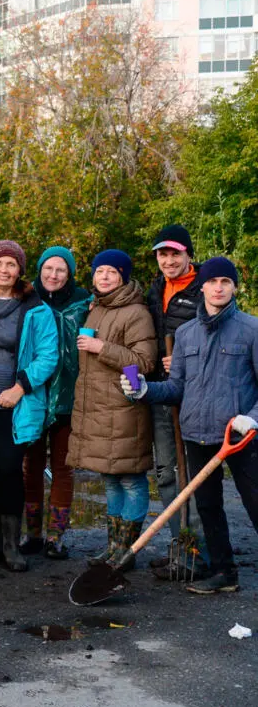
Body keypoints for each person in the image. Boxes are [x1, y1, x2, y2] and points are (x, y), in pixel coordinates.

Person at [122, 257, 258, 595]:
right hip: (197, 432)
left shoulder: (252, 329)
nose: (219, 288)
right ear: (203, 288)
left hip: (240, 434)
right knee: (208, 506)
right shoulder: (185, 333)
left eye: (226, 282)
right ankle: (224, 573)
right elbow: (177, 387)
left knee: (255, 501)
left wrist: (252, 418)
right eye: (213, 282)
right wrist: (144, 390)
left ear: (234, 287)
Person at [0, 240, 58, 572]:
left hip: (14, 404)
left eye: (11, 264)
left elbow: (48, 357)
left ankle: (12, 546)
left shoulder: (36, 309)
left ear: (20, 270)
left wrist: (20, 388)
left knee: (7, 471)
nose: (4, 270)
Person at [67, 250, 157, 568]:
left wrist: (101, 347)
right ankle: (113, 548)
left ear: (123, 277)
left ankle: (127, 551)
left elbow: (144, 362)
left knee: (131, 480)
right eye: (99, 271)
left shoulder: (136, 313)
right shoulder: (97, 310)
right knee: (110, 480)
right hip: (100, 411)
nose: (104, 277)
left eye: (112, 272)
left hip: (124, 411)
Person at [21, 247, 91, 559]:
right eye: (48, 268)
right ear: (39, 270)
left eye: (60, 270)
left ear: (70, 273)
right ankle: (32, 533)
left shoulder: (84, 302)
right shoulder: (27, 300)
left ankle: (55, 537)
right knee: (31, 466)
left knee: (64, 467)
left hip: (69, 394)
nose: (53, 275)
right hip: (33, 392)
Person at [146, 224, 208, 577]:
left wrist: (185, 360)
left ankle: (198, 554)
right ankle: (178, 549)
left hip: (196, 395)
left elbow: (216, 340)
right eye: (162, 254)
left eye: (175, 254)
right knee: (166, 471)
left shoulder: (206, 289)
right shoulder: (156, 290)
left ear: (188, 255)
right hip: (161, 391)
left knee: (195, 476)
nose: (168, 260)